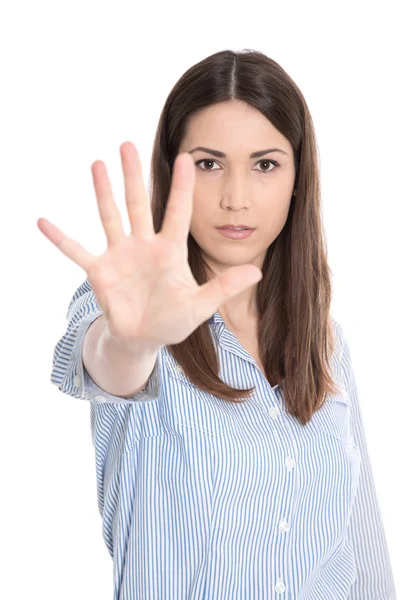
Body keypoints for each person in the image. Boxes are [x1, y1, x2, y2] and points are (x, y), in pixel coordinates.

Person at [37, 49, 397, 599]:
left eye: (265, 164)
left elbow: (362, 545)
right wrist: (132, 342)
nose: (236, 197)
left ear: (298, 178)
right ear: (172, 172)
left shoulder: (324, 341)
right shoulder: (131, 310)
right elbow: (105, 362)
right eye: (208, 164)